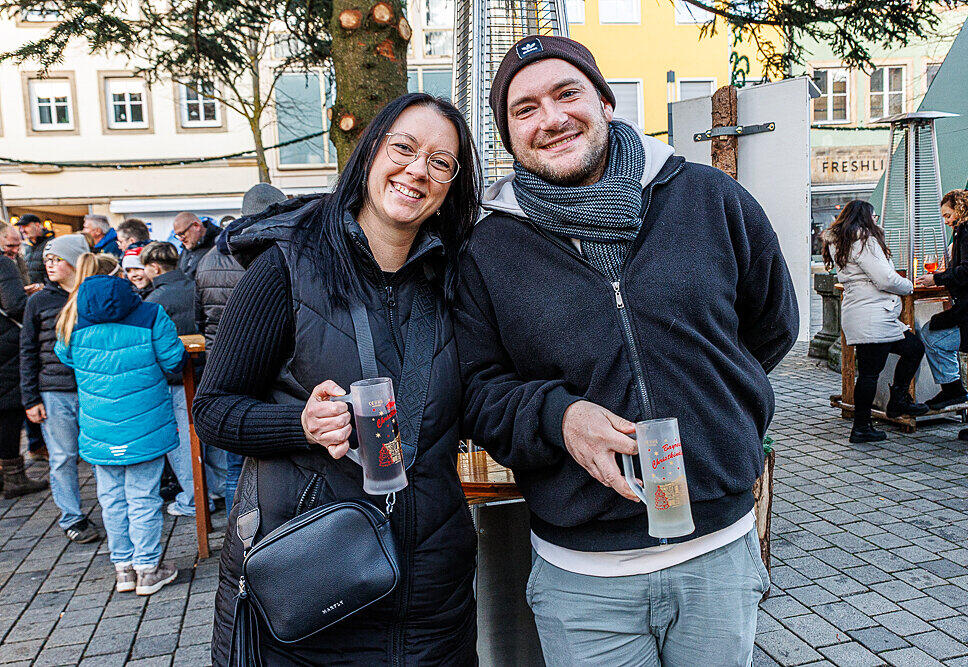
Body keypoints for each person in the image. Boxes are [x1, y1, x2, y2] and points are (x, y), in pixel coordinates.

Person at [453, 35, 797, 665]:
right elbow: (475, 389)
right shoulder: (487, 248)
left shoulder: (708, 198)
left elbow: (772, 325)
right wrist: (558, 418)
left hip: (718, 554)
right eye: (524, 110)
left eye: (566, 93)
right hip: (582, 579)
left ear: (606, 102)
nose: (551, 118)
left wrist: (711, 405)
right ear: (508, 136)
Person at [194, 92, 481, 665]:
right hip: (315, 585)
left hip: (433, 597)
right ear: (371, 151)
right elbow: (213, 409)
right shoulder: (287, 266)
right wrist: (301, 424)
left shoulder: (458, 279)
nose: (417, 170)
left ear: (453, 184)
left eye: (441, 162)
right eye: (404, 148)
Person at [55, 254, 185, 595]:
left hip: (100, 429)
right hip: (146, 424)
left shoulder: (74, 322)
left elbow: (64, 355)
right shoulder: (150, 314)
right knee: (143, 496)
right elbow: (174, 359)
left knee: (111, 499)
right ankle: (148, 569)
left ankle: (123, 570)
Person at [194, 182, 286, 513]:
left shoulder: (207, 261)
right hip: (272, 368)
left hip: (222, 367)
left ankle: (239, 521)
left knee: (236, 456)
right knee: (273, 454)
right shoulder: (281, 251)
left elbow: (199, 319)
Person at [821, 200, 929, 443]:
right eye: (874, 216)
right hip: (873, 314)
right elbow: (884, 278)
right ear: (864, 217)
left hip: (867, 314)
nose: (877, 220)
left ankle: (896, 402)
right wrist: (909, 286)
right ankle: (861, 427)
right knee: (870, 373)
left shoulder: (841, 241)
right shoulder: (863, 240)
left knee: (913, 348)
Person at [21, 234, 103, 541]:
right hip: (55, 392)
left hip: (93, 388)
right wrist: (30, 398)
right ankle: (72, 517)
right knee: (63, 457)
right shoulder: (38, 301)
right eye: (47, 260)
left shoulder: (92, 295)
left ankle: (111, 506)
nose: (50, 265)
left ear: (75, 260)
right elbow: (27, 351)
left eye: (57, 259)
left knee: (98, 455)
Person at [141, 242, 225, 515]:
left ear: (154, 267)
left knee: (183, 442)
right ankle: (220, 487)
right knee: (211, 435)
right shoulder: (194, 285)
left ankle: (194, 499)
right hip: (208, 372)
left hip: (176, 379)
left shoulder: (154, 300)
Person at [916, 188, 968, 442]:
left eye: (947, 214)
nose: (946, 220)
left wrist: (937, 278)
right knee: (934, 334)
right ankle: (954, 390)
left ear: (961, 209)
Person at [0, 243, 47, 499]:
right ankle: (14, 478)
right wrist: (27, 296)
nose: (15, 250)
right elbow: (14, 305)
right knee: (8, 411)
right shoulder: (3, 263)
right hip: (5, 346)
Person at [172, 212, 221, 278]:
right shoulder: (186, 249)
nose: (181, 239)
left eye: (182, 234)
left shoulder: (220, 243)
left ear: (196, 226)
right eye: (177, 236)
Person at [15, 213, 54, 292]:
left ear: (37, 225)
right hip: (31, 294)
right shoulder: (26, 247)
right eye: (20, 227)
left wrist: (43, 286)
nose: (22, 230)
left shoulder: (51, 244)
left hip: (48, 293)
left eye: (25, 226)